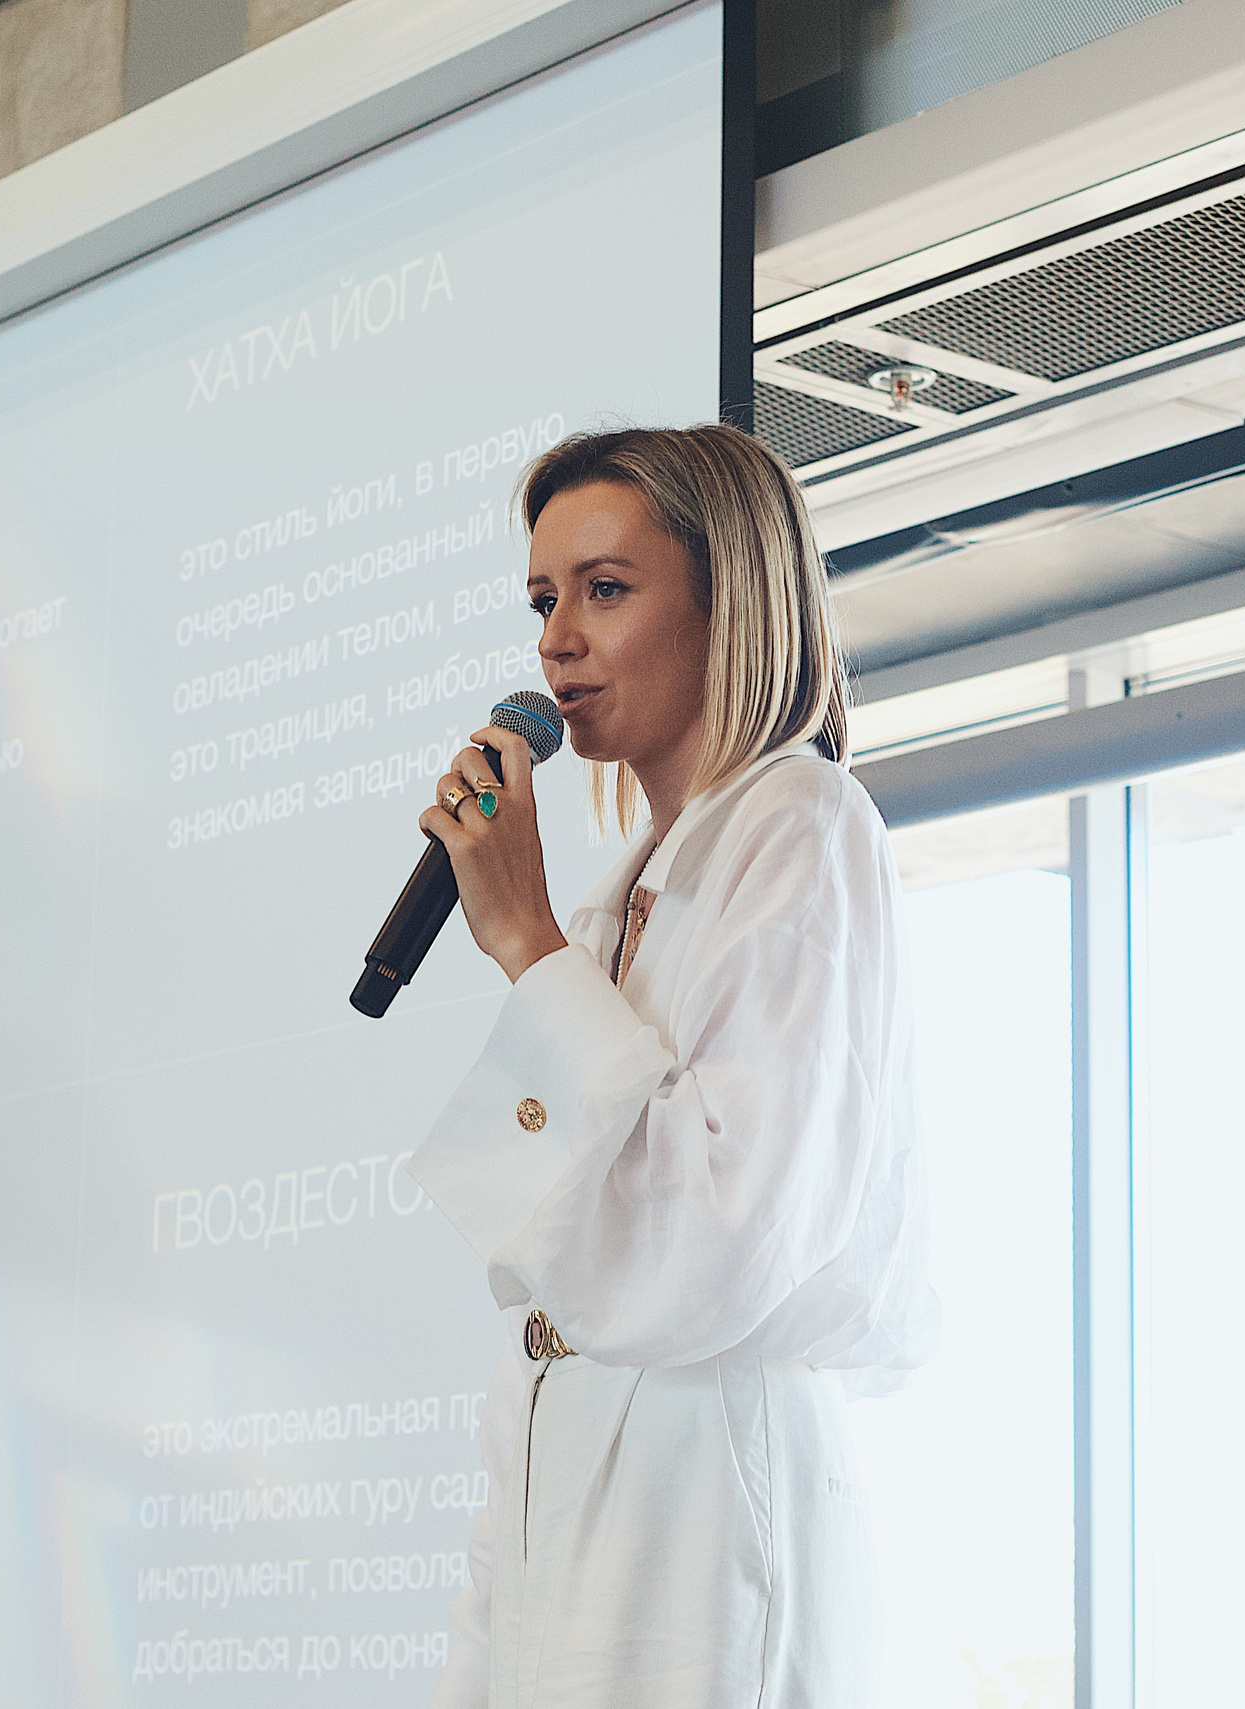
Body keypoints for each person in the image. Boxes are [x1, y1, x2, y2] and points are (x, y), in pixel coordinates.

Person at [406, 425, 937, 1709]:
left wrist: (524, 940)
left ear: (729, 601)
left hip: (698, 1468)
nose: (556, 642)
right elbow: (546, 1250)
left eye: (604, 588)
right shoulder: (621, 897)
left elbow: (728, 1221)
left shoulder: (802, 825)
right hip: (558, 1449)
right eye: (542, 600)